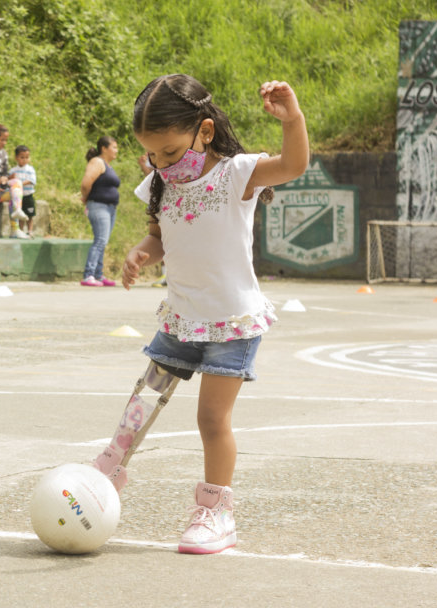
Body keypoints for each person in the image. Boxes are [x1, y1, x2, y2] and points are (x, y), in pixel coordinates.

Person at [120, 74, 309, 554]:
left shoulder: (235, 174)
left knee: (210, 418)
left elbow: (292, 164)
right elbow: (162, 235)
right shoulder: (163, 181)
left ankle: (215, 512)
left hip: (230, 320)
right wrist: (144, 253)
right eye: (153, 156)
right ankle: (111, 466)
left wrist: (293, 120)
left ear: (204, 132)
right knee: (144, 396)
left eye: (170, 151)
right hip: (182, 316)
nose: (162, 163)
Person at [79, 136, 120, 286]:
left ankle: (98, 274)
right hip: (98, 206)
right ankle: (88, 275)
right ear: (104, 148)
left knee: (103, 241)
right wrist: (85, 197)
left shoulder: (108, 165)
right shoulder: (97, 162)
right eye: (114, 147)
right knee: (100, 240)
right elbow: (86, 183)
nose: (116, 150)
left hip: (110, 208)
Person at [11, 145, 37, 236]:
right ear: (16, 158)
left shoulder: (30, 169)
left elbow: (32, 180)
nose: (25, 159)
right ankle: (21, 230)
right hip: (19, 197)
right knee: (21, 214)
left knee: (30, 214)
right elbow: (10, 179)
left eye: (27, 157)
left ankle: (30, 230)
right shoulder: (14, 170)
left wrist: (20, 183)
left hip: (28, 195)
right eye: (22, 157)